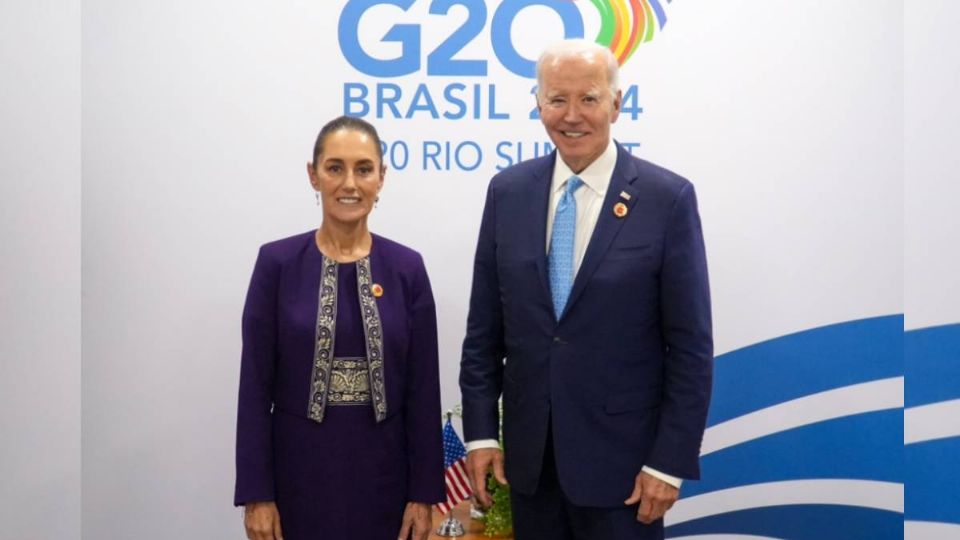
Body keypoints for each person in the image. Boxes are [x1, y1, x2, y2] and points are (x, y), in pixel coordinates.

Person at [459, 40, 713, 540]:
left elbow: (690, 348)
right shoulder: (506, 193)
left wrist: (669, 462)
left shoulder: (667, 200)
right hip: (531, 469)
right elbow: (483, 332)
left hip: (627, 475)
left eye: (589, 99)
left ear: (617, 103)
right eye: (557, 100)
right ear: (538, 104)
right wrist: (482, 434)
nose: (572, 115)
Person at [234, 116, 444, 540]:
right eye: (335, 168)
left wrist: (424, 494)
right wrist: (258, 494)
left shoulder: (407, 268)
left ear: (381, 178)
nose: (350, 183)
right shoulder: (276, 264)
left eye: (364, 169)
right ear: (314, 176)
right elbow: (254, 388)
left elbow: (424, 392)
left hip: (386, 478)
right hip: (298, 476)